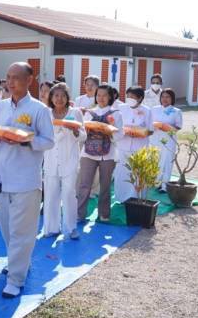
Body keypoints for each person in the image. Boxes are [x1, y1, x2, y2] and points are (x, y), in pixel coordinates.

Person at [0, 62, 54, 298]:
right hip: (0, 176)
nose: (10, 82)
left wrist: (26, 141)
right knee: (7, 228)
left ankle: (15, 279)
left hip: (25, 179)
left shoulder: (39, 109)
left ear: (29, 80)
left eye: (16, 78)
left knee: (22, 230)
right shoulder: (0, 107)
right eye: (8, 77)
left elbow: (49, 141)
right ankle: (18, 262)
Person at [43, 83, 85, 239]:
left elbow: (83, 136)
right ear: (51, 98)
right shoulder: (46, 113)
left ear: (67, 97)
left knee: (68, 194)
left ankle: (71, 227)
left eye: (63, 95)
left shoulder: (75, 113)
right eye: (56, 95)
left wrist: (75, 132)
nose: (59, 99)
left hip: (70, 160)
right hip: (50, 159)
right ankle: (52, 228)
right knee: (51, 194)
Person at [76, 84, 120, 223]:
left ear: (110, 97)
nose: (101, 98)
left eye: (104, 95)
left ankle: (104, 214)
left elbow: (120, 135)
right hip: (88, 153)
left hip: (108, 154)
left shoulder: (116, 114)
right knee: (84, 184)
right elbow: (82, 133)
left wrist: (109, 132)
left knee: (105, 185)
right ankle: (80, 214)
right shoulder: (90, 113)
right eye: (98, 95)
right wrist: (86, 131)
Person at [113, 86, 153, 202]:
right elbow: (114, 125)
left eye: (132, 97)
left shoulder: (147, 111)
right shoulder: (120, 108)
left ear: (140, 98)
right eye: (128, 96)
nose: (129, 98)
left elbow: (150, 130)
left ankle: (136, 198)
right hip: (123, 146)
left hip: (139, 147)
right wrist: (123, 130)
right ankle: (120, 197)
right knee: (122, 173)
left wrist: (140, 132)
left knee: (136, 173)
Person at [151, 88, 184, 192]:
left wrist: (167, 127)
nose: (165, 99)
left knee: (166, 162)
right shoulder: (154, 109)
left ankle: (165, 186)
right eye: (163, 97)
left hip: (168, 140)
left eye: (168, 97)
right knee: (156, 160)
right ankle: (156, 183)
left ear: (172, 99)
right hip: (155, 139)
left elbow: (178, 126)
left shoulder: (176, 111)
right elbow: (149, 122)